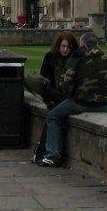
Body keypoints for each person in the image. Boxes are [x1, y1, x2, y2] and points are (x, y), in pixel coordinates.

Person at [38, 32, 107, 168]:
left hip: (81, 104)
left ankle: (52, 155)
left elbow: (65, 86)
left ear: (83, 43)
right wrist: (105, 93)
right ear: (96, 44)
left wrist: (78, 93)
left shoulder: (76, 59)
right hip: (105, 104)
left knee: (53, 116)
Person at [30, 32, 79, 162]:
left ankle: (47, 153)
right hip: (53, 95)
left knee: (53, 117)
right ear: (58, 45)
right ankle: (48, 153)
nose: (65, 50)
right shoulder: (50, 56)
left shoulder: (75, 59)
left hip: (66, 97)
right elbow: (43, 80)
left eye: (68, 47)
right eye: (63, 46)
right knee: (53, 116)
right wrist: (48, 100)